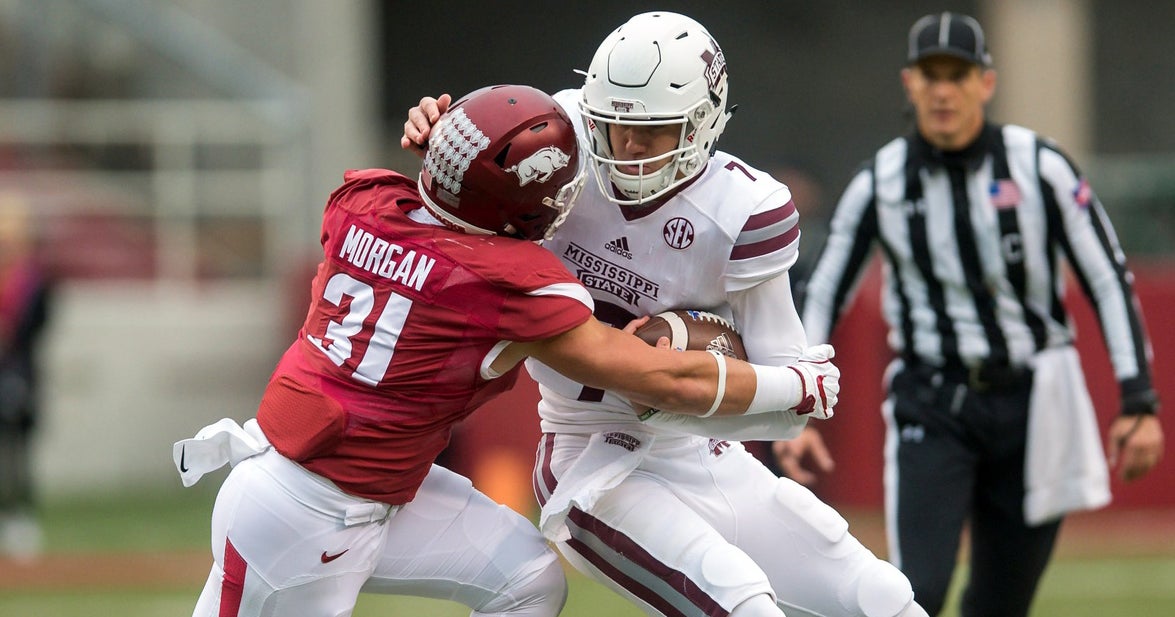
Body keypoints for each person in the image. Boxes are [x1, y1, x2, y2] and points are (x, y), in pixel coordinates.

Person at [174, 83, 842, 617]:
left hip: (377, 484)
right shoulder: (502, 282)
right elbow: (659, 379)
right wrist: (796, 385)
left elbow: (429, 215)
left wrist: (459, 148)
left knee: (526, 578)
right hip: (302, 514)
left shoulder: (362, 198)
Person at [403, 12, 929, 617]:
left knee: (881, 598)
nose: (624, 147)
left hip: (697, 448)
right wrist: (449, 148)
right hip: (587, 457)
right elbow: (458, 205)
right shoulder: (558, 138)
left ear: (702, 124)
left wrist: (712, 387)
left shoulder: (742, 207)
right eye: (611, 126)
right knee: (742, 602)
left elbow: (785, 418)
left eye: (650, 132)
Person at [798, 12, 1165, 616]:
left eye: (959, 75)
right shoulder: (882, 180)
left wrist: (1139, 400)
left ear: (985, 84)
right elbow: (825, 289)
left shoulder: (1041, 165)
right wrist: (800, 401)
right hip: (932, 401)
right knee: (917, 592)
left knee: (1001, 602)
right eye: (931, 75)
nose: (945, 90)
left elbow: (1107, 277)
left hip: (1035, 401)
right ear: (909, 83)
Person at [0, 198, 52, 561]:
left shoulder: (34, 282)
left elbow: (36, 327)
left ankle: (20, 516)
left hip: (20, 374)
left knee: (19, 449)